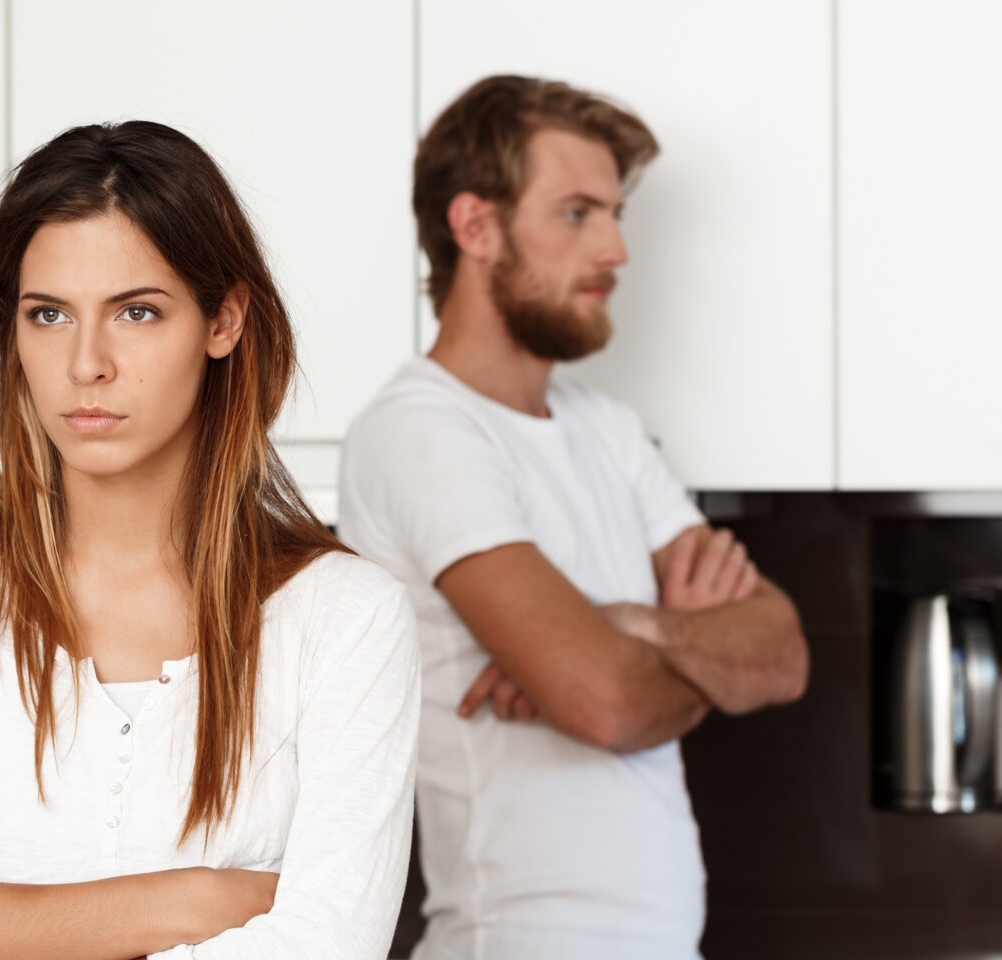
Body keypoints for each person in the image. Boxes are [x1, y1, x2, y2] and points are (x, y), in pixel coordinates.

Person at [0, 121, 420, 960]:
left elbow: (328, 947)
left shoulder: (348, 618)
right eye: (48, 314)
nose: (86, 363)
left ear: (225, 321)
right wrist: (200, 900)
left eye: (137, 311)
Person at [338, 75, 811, 960]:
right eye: (578, 213)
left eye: (616, 213)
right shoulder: (421, 430)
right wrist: (689, 649)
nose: (618, 249)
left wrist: (622, 623)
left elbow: (783, 652)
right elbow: (605, 704)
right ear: (476, 227)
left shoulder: (607, 430)